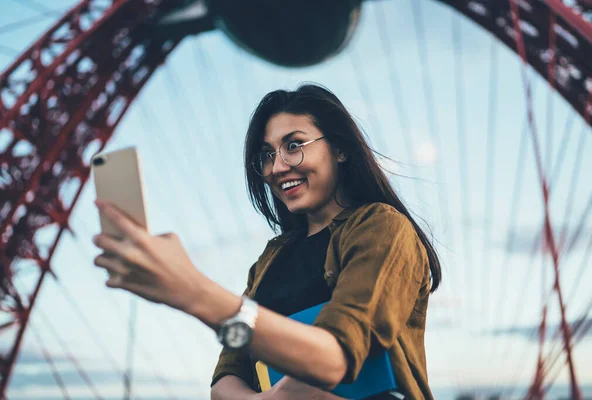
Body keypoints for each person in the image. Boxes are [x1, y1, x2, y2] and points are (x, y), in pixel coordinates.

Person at [92, 84, 442, 400]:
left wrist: (191, 290)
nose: (276, 167)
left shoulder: (380, 226)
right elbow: (226, 378)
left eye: (293, 145)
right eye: (267, 155)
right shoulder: (272, 257)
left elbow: (335, 358)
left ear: (340, 150)